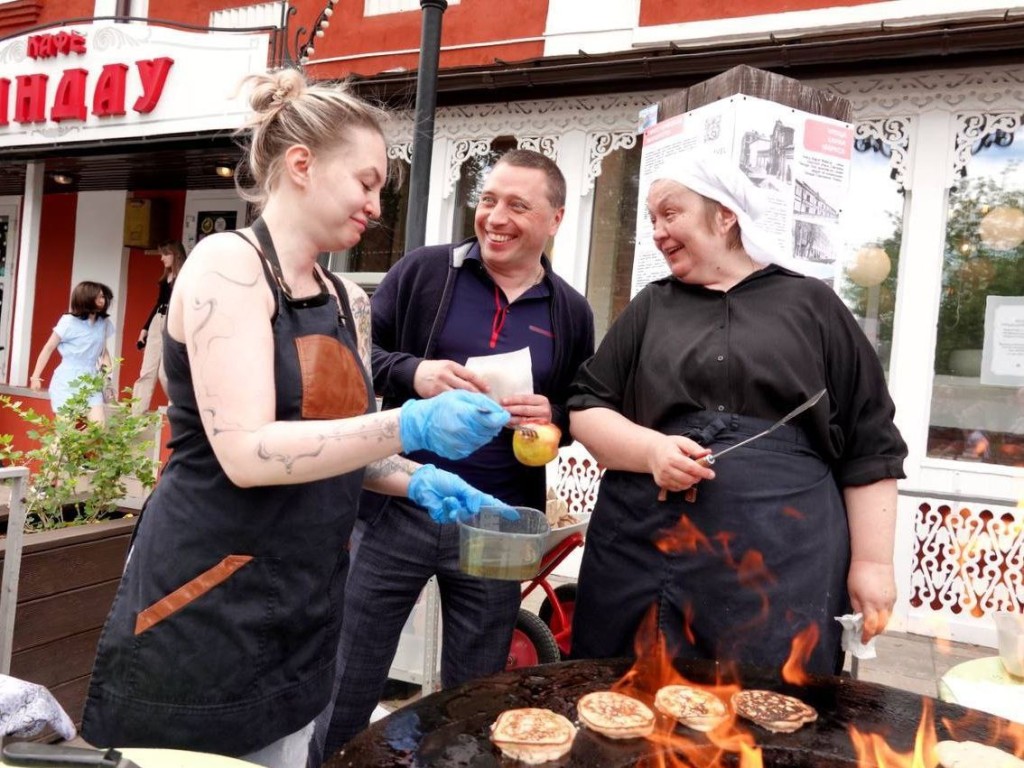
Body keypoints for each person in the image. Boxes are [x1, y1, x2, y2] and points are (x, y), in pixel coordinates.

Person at [80, 69, 512, 768]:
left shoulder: (349, 299)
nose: (375, 203)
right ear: (302, 165)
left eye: (381, 189)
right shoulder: (229, 267)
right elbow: (249, 451)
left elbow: (340, 442)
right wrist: (409, 424)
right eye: (365, 181)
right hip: (206, 602)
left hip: (306, 608)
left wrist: (414, 479)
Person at [566, 153, 908, 677]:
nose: (658, 231)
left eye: (670, 213)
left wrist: (873, 564)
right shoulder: (651, 307)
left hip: (781, 561)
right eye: (652, 219)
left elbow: (872, 444)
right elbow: (587, 410)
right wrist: (652, 449)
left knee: (766, 716)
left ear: (724, 214)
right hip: (642, 547)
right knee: (625, 702)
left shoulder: (812, 305)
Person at [314, 149, 595, 761]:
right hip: (399, 499)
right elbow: (356, 358)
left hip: (496, 521)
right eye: (488, 199)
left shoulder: (569, 310)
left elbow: (579, 407)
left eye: (517, 205)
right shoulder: (424, 273)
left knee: (475, 692)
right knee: (349, 679)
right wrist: (415, 373)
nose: (495, 216)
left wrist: (555, 417)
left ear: (555, 219)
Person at [30, 281, 114, 423]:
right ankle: (62, 445)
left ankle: (64, 445)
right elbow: (48, 347)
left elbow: (104, 352)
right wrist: (35, 377)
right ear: (86, 298)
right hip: (67, 380)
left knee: (99, 427)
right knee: (67, 433)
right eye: (98, 297)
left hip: (91, 380)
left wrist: (107, 379)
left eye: (103, 297)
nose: (103, 300)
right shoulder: (68, 321)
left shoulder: (104, 323)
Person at [131, 239, 186, 414]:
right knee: (147, 370)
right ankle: (136, 415)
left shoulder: (186, 277)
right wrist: (145, 329)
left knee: (165, 372)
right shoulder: (165, 278)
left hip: (174, 321)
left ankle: (177, 408)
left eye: (165, 254)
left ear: (175, 255)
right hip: (158, 320)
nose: (162, 258)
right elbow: (158, 303)